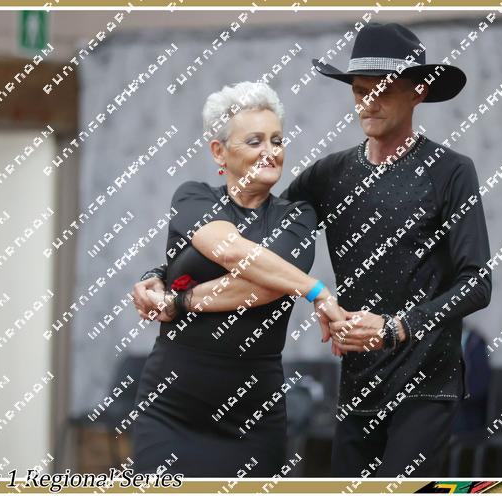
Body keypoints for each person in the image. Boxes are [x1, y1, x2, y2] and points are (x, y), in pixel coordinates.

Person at [135, 23, 493, 478]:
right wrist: (160, 274)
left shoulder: (451, 171)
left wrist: (398, 327)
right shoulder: (329, 175)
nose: (369, 102)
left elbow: (478, 283)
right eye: (360, 90)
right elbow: (257, 241)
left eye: (383, 90)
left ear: (418, 91)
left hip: (426, 384)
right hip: (359, 383)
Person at [129, 81, 346, 478]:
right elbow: (229, 250)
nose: (270, 151)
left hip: (252, 416)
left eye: (277, 140)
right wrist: (313, 289)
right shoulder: (192, 197)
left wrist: (181, 301)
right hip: (171, 406)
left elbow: (266, 286)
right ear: (219, 152)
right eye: (254, 141)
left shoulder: (297, 215)